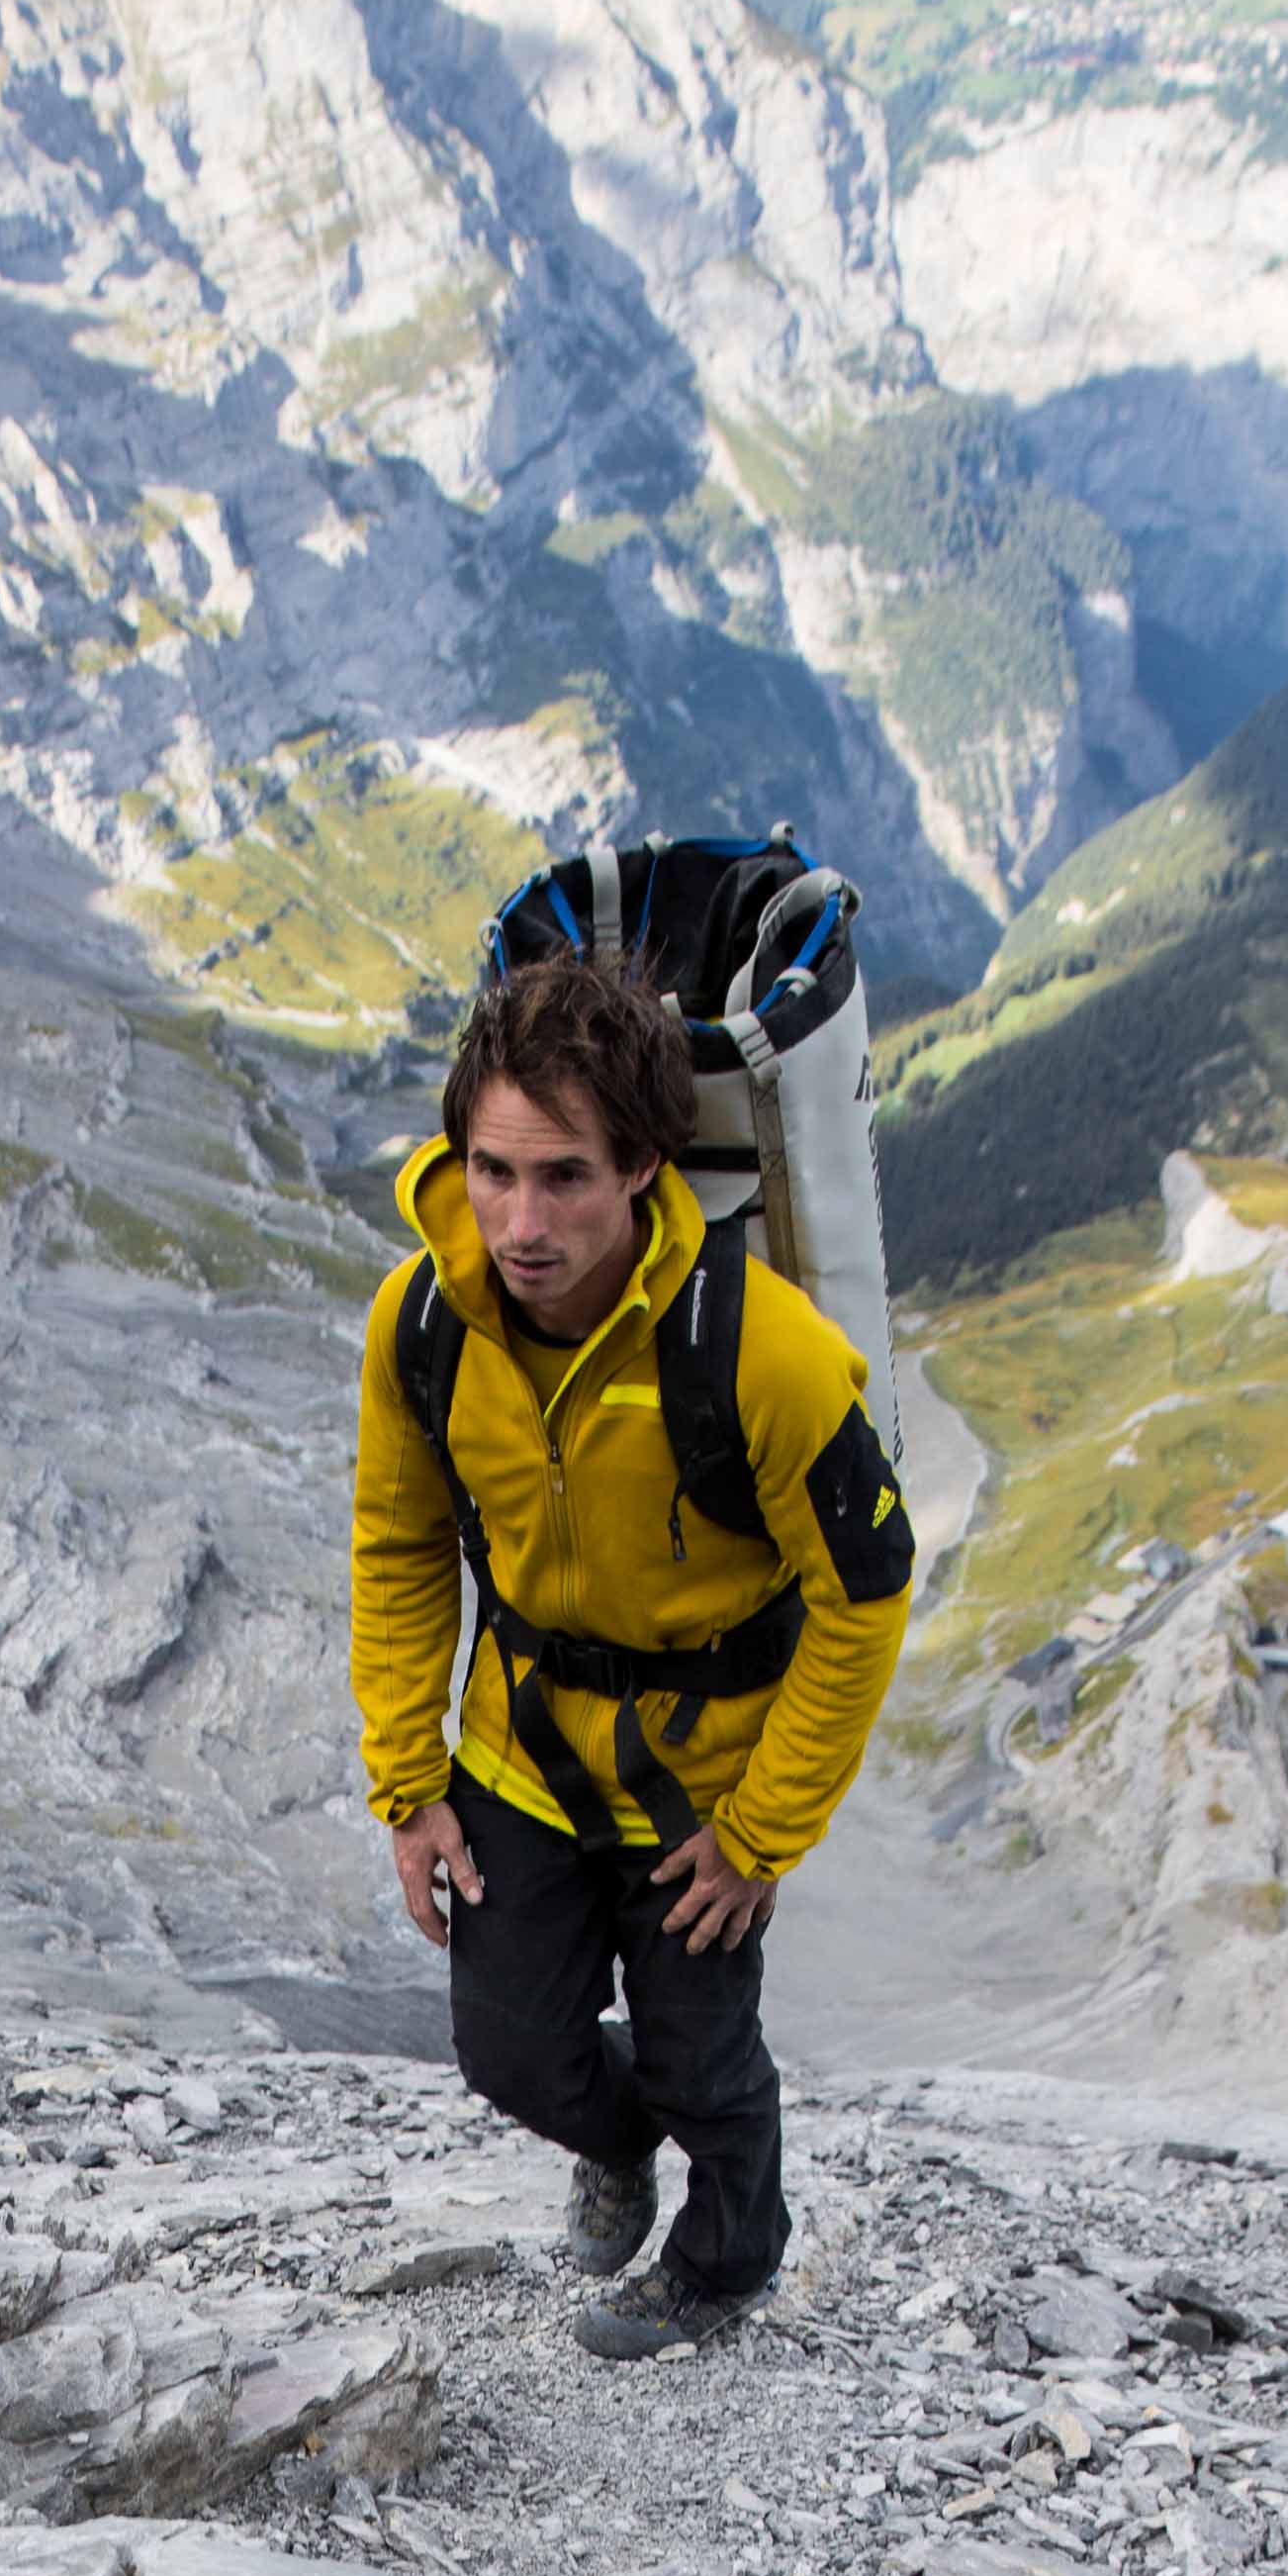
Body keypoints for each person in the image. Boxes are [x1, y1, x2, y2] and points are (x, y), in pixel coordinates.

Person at [348, 948, 914, 2359]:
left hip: (703, 1784)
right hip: (523, 1753)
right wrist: (408, 1782)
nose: (518, 1222)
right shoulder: (422, 1321)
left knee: (704, 2059)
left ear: (648, 1168)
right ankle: (615, 2144)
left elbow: (867, 1590)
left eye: (565, 1178)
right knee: (511, 2050)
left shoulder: (764, 1353)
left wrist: (764, 1831)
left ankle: (724, 2264)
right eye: (491, 1170)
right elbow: (400, 1545)